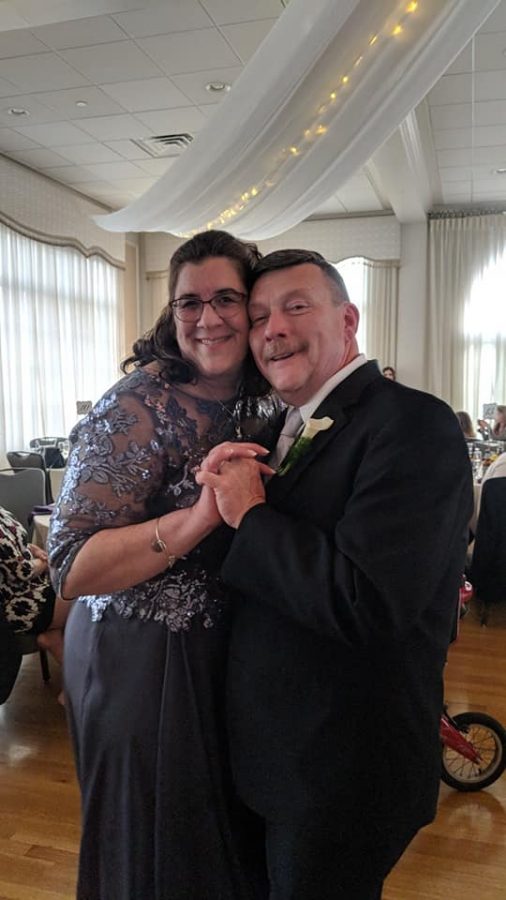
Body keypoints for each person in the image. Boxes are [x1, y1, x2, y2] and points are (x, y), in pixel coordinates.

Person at [197, 249, 473, 900]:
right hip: (272, 758)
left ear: (348, 320)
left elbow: (368, 603)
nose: (272, 328)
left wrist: (252, 516)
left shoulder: (413, 424)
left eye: (296, 307)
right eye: (259, 315)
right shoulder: (274, 427)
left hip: (342, 773)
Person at [47, 230, 279, 900]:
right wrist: (202, 514)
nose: (207, 319)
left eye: (226, 299)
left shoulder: (261, 393)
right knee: (159, 847)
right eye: (189, 303)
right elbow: (72, 566)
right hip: (141, 657)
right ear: (169, 313)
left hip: (221, 651)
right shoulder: (136, 406)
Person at [0, 504, 70, 701]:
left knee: (81, 584)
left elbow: (18, 544)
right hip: (20, 605)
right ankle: (86, 687)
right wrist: (47, 562)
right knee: (89, 595)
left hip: (30, 589)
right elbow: (22, 572)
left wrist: (35, 550)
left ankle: (75, 689)